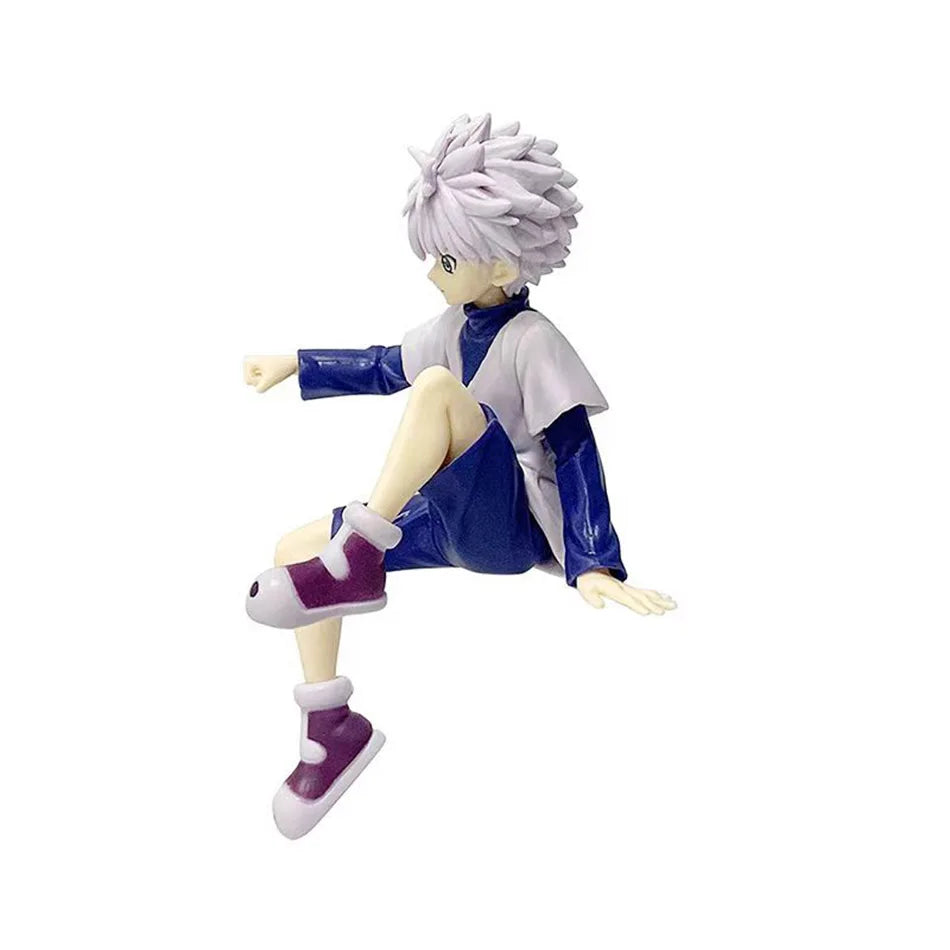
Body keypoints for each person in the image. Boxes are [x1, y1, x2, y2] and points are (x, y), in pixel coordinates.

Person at [243, 114, 676, 839]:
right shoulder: (450, 328)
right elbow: (385, 365)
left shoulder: (533, 341)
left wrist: (593, 562)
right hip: (441, 518)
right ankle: (331, 730)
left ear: (501, 266)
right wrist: (296, 363)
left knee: (438, 390)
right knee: (293, 549)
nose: (430, 273)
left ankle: (355, 557)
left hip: (504, 529)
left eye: (446, 260)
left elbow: (574, 449)